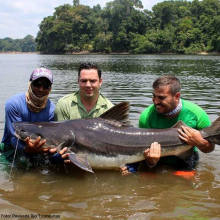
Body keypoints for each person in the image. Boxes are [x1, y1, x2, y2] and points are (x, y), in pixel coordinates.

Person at [121, 75, 214, 175]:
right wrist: (150, 162)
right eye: (154, 96)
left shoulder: (197, 114)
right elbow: (140, 148)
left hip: (185, 157)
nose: (155, 102)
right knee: (146, 182)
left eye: (161, 98)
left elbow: (210, 148)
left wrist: (200, 142)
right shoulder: (146, 116)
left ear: (177, 96)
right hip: (155, 158)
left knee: (184, 183)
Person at [0, 68, 68, 165]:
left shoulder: (51, 111)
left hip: (39, 149)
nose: (41, 89)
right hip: (11, 147)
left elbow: (50, 138)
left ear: (50, 88)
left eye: (46, 86)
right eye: (37, 84)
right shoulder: (14, 104)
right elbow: (13, 137)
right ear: (30, 84)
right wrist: (26, 149)